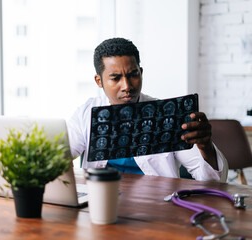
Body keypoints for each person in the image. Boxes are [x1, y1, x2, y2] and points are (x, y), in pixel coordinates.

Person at [67, 37, 228, 182]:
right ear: (99, 81)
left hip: (156, 205)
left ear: (141, 73)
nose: (127, 86)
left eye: (133, 75)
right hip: (103, 202)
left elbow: (213, 181)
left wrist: (206, 147)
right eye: (115, 78)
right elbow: (58, 158)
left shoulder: (167, 115)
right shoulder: (86, 114)